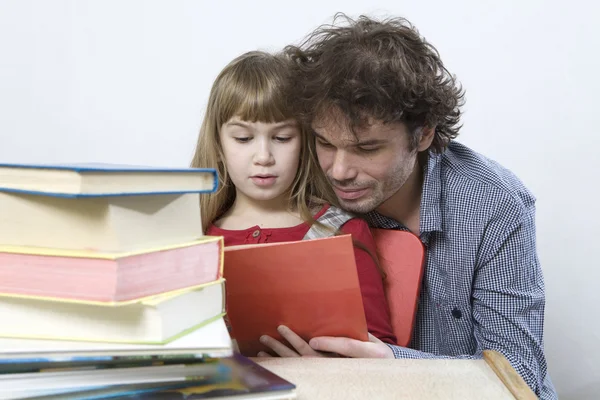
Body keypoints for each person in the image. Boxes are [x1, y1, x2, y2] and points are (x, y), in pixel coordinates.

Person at [256, 14, 557, 399]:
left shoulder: (494, 203)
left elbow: (518, 375)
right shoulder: (303, 184)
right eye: (325, 143)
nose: (339, 170)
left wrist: (392, 364)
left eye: (367, 148)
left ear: (424, 133)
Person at [190, 50, 397, 346]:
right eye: (243, 139)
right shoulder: (194, 235)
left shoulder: (341, 232)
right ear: (219, 144)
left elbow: (384, 352)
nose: (263, 157)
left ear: (305, 142)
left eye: (282, 138)